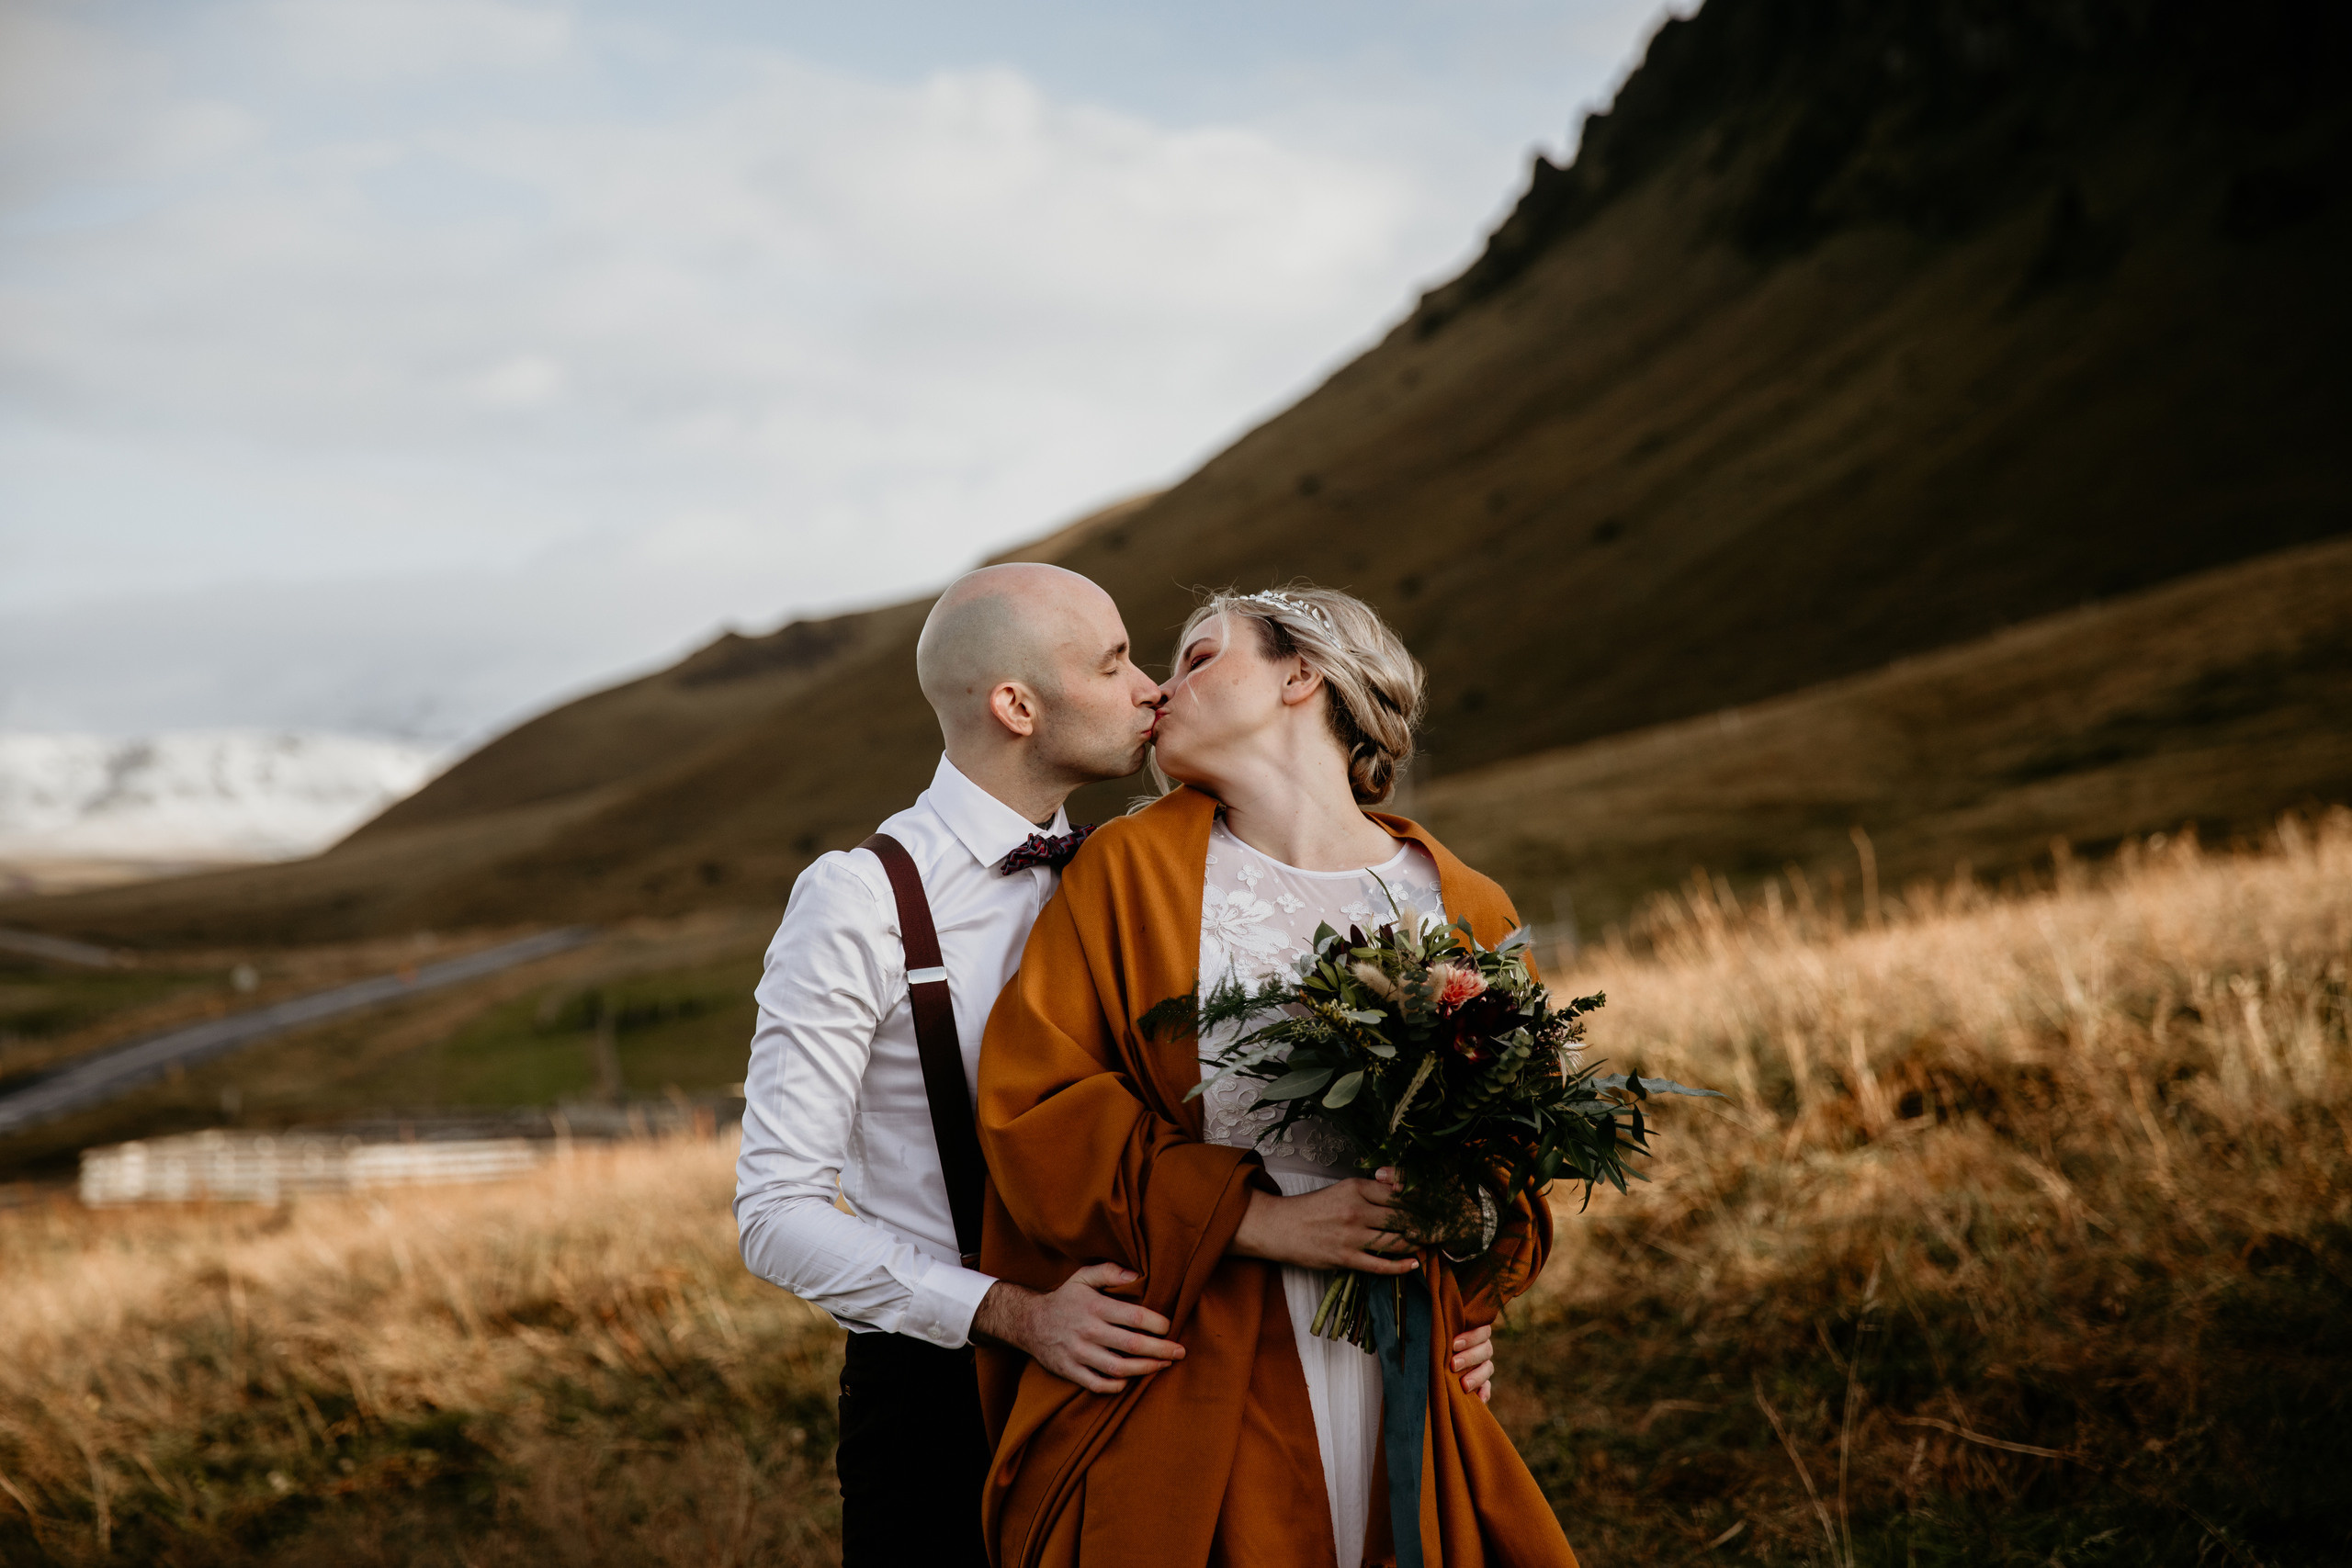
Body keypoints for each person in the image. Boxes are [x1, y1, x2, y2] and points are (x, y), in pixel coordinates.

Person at [975, 585, 1577, 1568]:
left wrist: (1467, 1275)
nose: (1158, 690)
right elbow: (1036, 1104)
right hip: (1195, 1347)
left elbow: (1518, 1145)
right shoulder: (1125, 870)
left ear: (1302, 674)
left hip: (1400, 1353)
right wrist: (1259, 1223)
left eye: (1199, 657)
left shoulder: (1466, 903)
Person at [735, 563, 1188, 1566]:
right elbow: (774, 1214)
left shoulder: (1131, 870)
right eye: (1113, 663)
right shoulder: (859, 899)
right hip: (939, 1402)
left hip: (1149, 1364)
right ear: (1016, 706)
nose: (1150, 687)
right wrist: (1013, 1315)